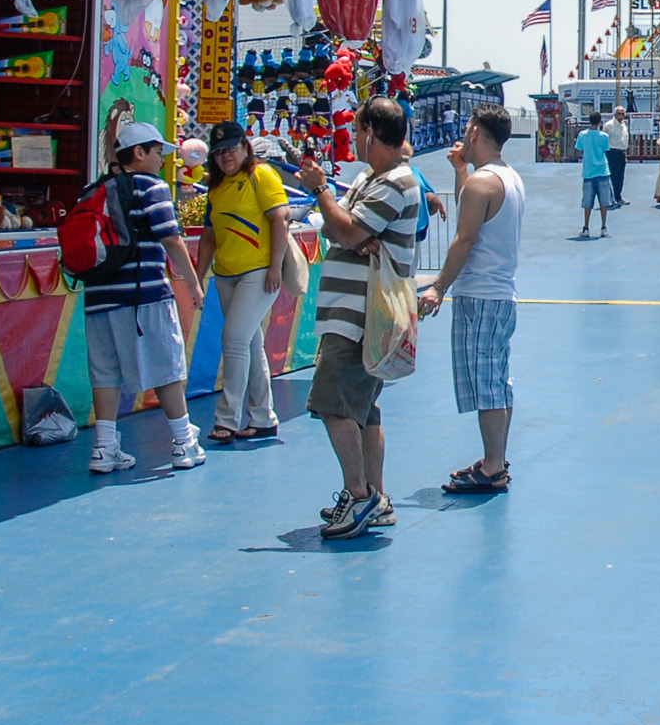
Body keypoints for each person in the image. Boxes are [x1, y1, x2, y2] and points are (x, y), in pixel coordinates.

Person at [292, 95, 422, 539]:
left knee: (333, 403)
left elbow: (344, 228)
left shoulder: (394, 183)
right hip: (354, 311)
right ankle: (375, 496)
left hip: (360, 315)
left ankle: (359, 494)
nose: (351, 136)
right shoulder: (373, 177)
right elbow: (340, 227)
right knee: (364, 409)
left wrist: (322, 192)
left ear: (370, 132)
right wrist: (349, 229)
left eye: (356, 128)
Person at [79, 122, 208, 475]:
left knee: (105, 372)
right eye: (156, 152)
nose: (160, 160)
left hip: (98, 297)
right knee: (166, 366)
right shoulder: (152, 187)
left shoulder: (94, 191)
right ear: (139, 153)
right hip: (144, 294)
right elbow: (171, 238)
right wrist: (193, 283)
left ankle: (105, 448)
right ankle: (184, 441)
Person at [420, 103, 525, 494]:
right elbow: (473, 207)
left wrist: (438, 286)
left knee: (487, 384)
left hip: (480, 294)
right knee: (496, 379)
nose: (463, 134)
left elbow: (465, 238)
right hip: (499, 293)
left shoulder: (484, 183)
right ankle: (494, 458)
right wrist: (460, 170)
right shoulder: (504, 177)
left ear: (477, 133)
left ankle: (494, 465)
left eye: (467, 128)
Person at [190, 122, 290, 444]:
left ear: (245, 147)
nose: (225, 157)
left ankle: (226, 419)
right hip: (226, 275)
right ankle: (263, 418)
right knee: (249, 344)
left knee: (233, 340)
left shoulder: (261, 175)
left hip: (257, 273)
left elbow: (280, 218)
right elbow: (208, 236)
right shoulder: (216, 188)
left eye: (231, 149)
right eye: (218, 152)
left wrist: (275, 266)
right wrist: (198, 278)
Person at [576, 112, 614, 239]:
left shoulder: (582, 135)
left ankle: (586, 227)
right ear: (599, 122)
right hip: (602, 170)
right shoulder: (604, 136)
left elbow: (580, 149)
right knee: (604, 202)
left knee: (587, 202)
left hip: (588, 171)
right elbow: (605, 150)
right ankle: (603, 227)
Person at [605, 115, 630, 206]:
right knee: (613, 177)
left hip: (621, 153)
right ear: (615, 114)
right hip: (612, 153)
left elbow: (624, 140)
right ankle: (610, 198)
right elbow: (604, 139)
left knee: (620, 177)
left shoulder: (624, 125)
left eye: (622, 113)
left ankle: (618, 197)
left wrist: (625, 154)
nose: (621, 116)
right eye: (619, 113)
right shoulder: (609, 125)